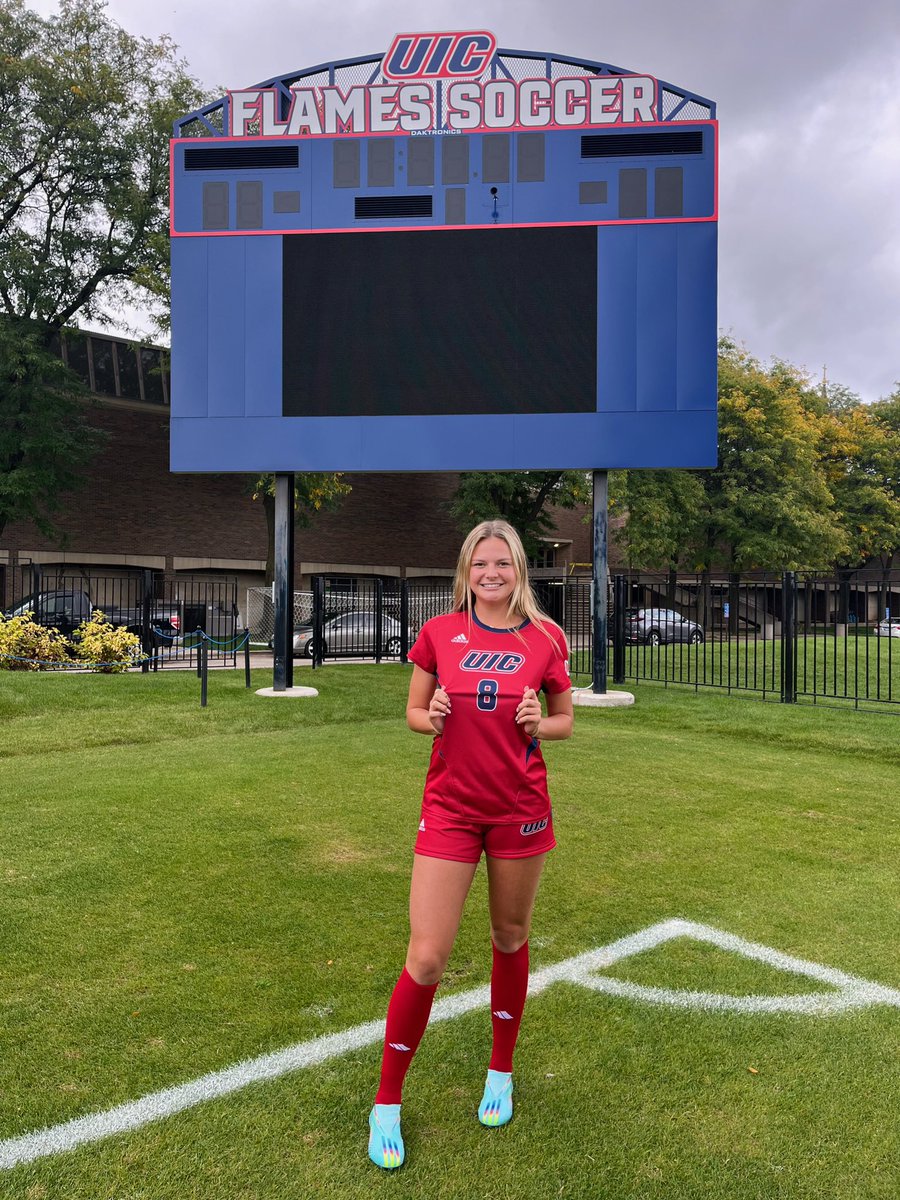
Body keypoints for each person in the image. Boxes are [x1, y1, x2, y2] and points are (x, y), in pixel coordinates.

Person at [368, 519, 574, 1169]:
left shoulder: (546, 637)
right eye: (481, 563)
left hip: (520, 810)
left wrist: (541, 721)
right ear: (466, 570)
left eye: (502, 563)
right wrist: (428, 718)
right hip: (450, 810)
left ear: (519, 570)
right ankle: (386, 1103)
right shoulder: (438, 633)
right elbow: (412, 712)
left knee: (510, 936)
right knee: (427, 956)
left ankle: (500, 1071)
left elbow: (565, 720)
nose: (491, 573)